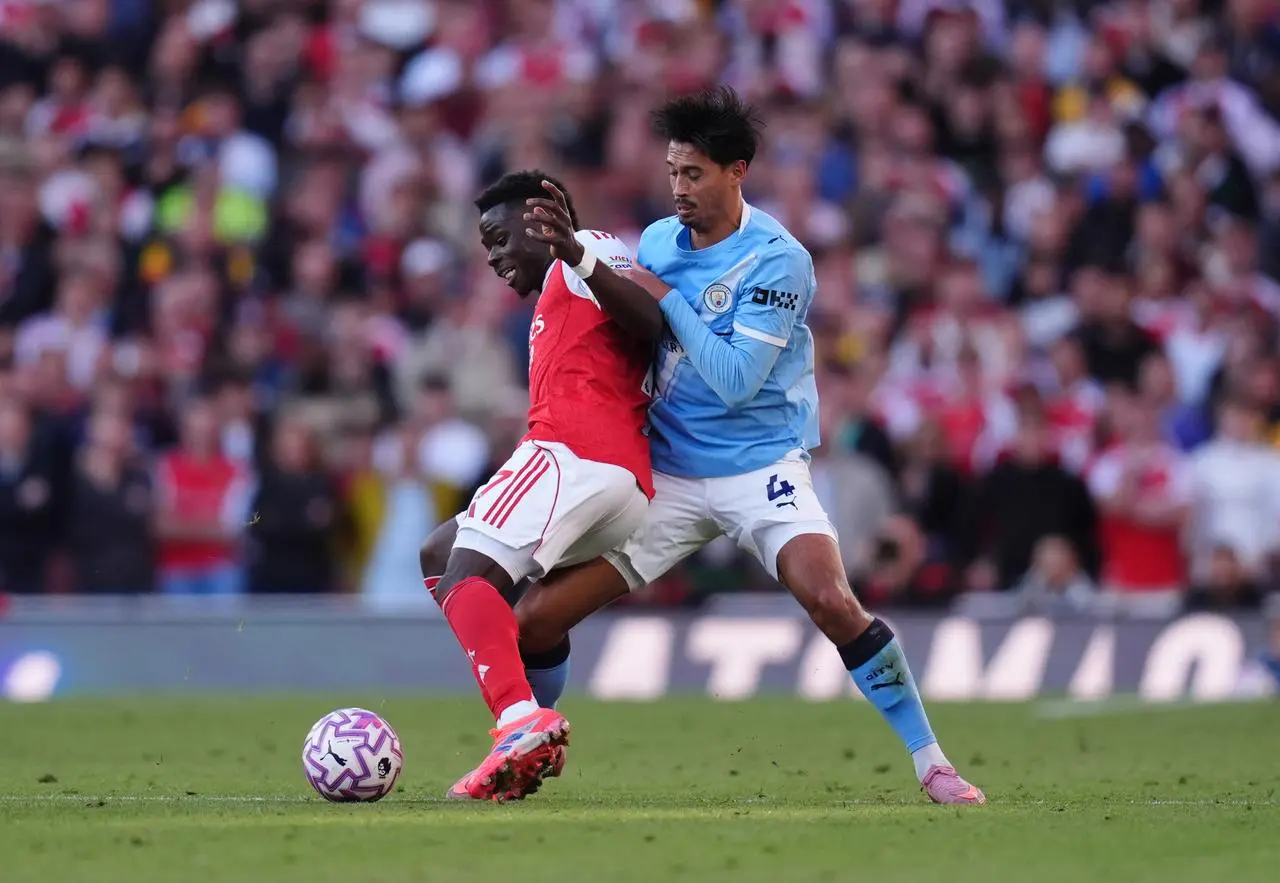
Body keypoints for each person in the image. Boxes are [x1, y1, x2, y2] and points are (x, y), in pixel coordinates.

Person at [423, 87, 985, 805]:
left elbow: (733, 380)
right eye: (672, 173)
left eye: (694, 174)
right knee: (535, 619)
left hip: (760, 465)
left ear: (736, 171)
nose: (679, 189)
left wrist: (663, 295)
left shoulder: (781, 260)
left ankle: (931, 760)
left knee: (831, 598)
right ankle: (524, 752)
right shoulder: (656, 241)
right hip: (670, 475)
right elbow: (629, 328)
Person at [430, 171, 654, 801]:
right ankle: (524, 725)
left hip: (574, 454)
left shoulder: (589, 252)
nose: (495, 256)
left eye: (500, 238)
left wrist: (575, 249)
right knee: (439, 557)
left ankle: (518, 722)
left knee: (465, 580)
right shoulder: (559, 291)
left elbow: (652, 322)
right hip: (611, 479)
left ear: (541, 220)